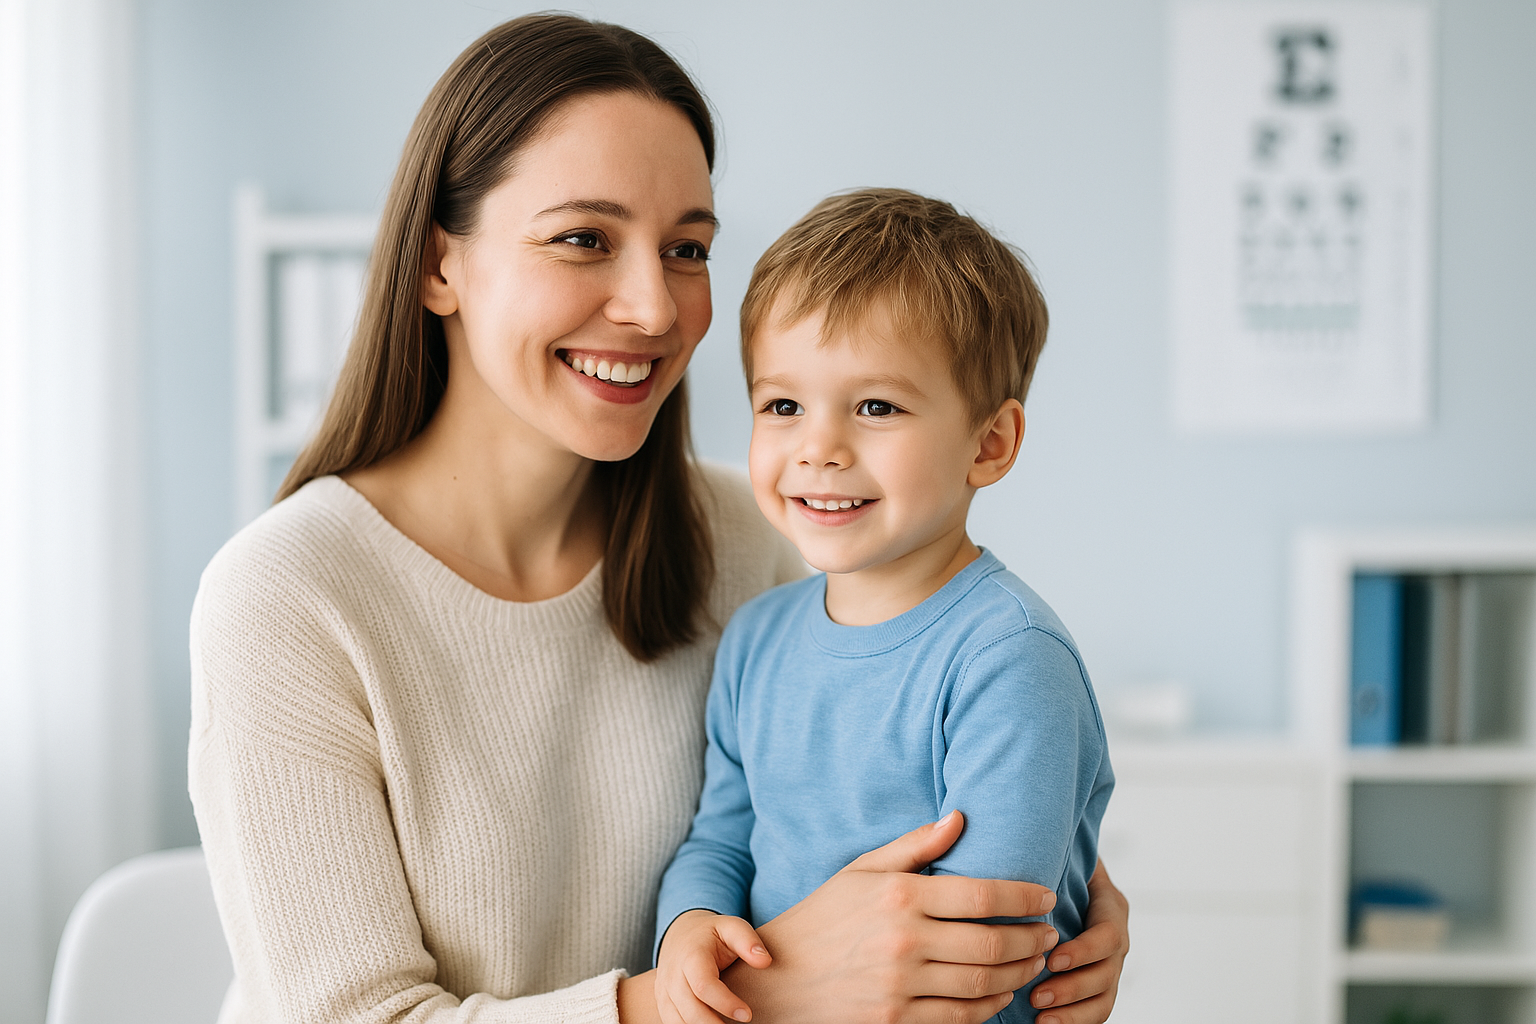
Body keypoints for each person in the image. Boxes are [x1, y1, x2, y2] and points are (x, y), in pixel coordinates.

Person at [188, 15, 1130, 1024]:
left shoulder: (755, 544)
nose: (654, 307)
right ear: (437, 265)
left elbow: (881, 810)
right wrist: (748, 997)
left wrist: (1057, 908)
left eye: (687, 248)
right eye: (583, 239)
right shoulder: (288, 598)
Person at [652, 189, 1113, 1024]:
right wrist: (689, 928)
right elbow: (720, 838)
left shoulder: (1010, 659)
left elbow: (979, 950)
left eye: (876, 407)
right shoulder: (755, 639)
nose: (818, 448)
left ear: (989, 443)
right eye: (783, 405)